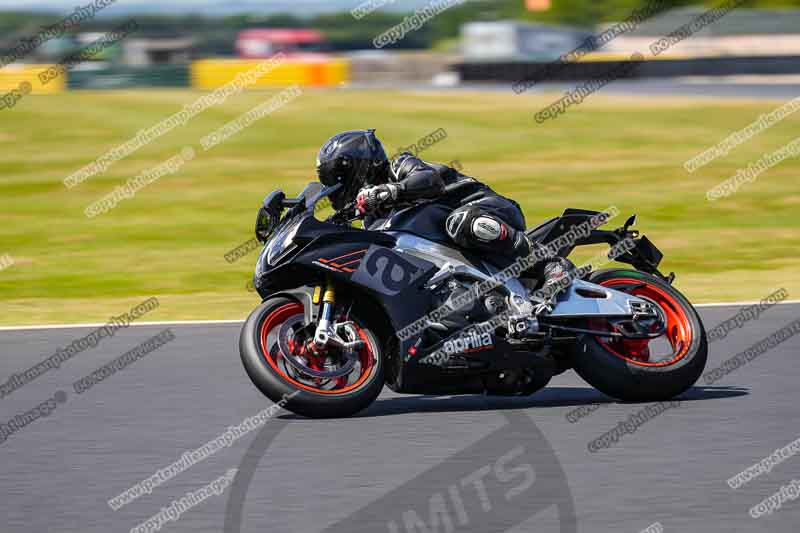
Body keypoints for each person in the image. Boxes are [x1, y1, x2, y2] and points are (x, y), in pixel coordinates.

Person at [315, 129, 573, 310]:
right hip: (463, 256)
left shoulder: (399, 166)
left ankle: (550, 264)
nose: (338, 190)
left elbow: (429, 181)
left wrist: (390, 190)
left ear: (357, 168)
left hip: (487, 209)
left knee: (460, 222)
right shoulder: (373, 218)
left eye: (338, 180)